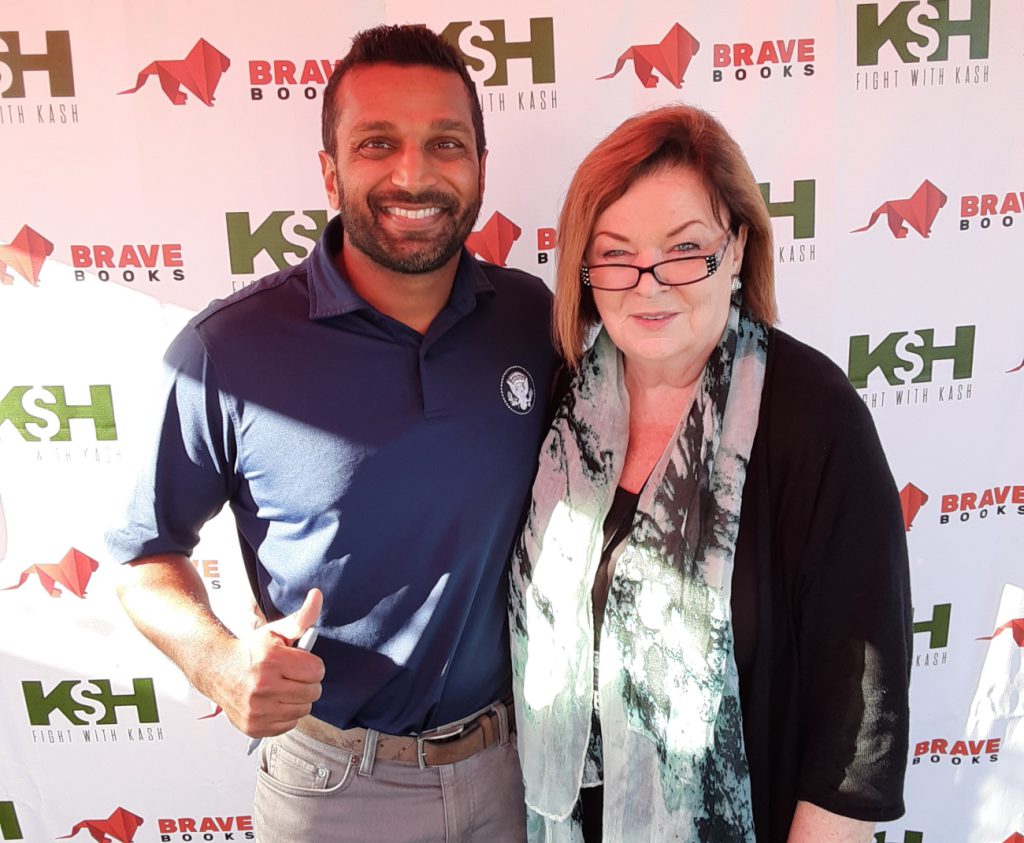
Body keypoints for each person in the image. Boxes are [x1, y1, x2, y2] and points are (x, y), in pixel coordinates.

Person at [107, 24, 557, 842]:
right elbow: (144, 559)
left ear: (481, 167)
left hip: (515, 772)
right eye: (377, 143)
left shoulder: (534, 320)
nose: (413, 174)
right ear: (330, 170)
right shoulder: (227, 351)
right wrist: (217, 661)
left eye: (446, 143)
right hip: (333, 788)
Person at [509, 105, 911, 843]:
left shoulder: (814, 417)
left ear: (738, 248)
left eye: (685, 249)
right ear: (584, 269)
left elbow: (859, 723)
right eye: (617, 253)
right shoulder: (563, 405)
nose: (649, 283)